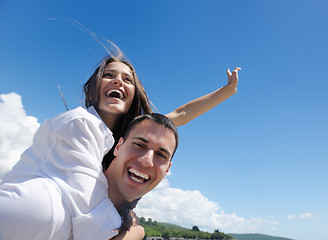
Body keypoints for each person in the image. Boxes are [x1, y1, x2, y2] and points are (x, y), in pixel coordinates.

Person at [0, 49, 240, 239]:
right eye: (109, 75)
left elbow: (181, 114)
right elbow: (93, 228)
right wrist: (135, 230)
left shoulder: (129, 135)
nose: (118, 81)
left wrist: (228, 91)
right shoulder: (81, 123)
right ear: (94, 87)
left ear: (134, 93)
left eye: (127, 79)